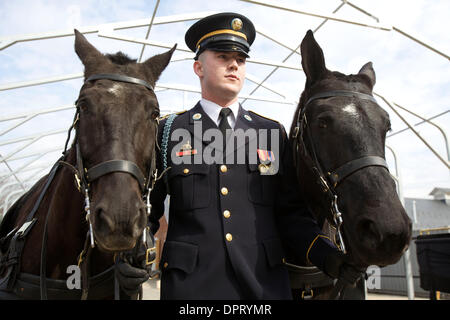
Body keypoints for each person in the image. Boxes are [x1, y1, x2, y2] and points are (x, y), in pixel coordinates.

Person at [116, 12, 363, 300]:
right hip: (192, 289)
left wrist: (328, 256)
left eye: (241, 59)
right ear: (198, 67)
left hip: (263, 287)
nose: (234, 64)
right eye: (222, 56)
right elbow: (148, 208)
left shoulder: (270, 132)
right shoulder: (169, 131)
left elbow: (290, 213)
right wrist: (130, 253)